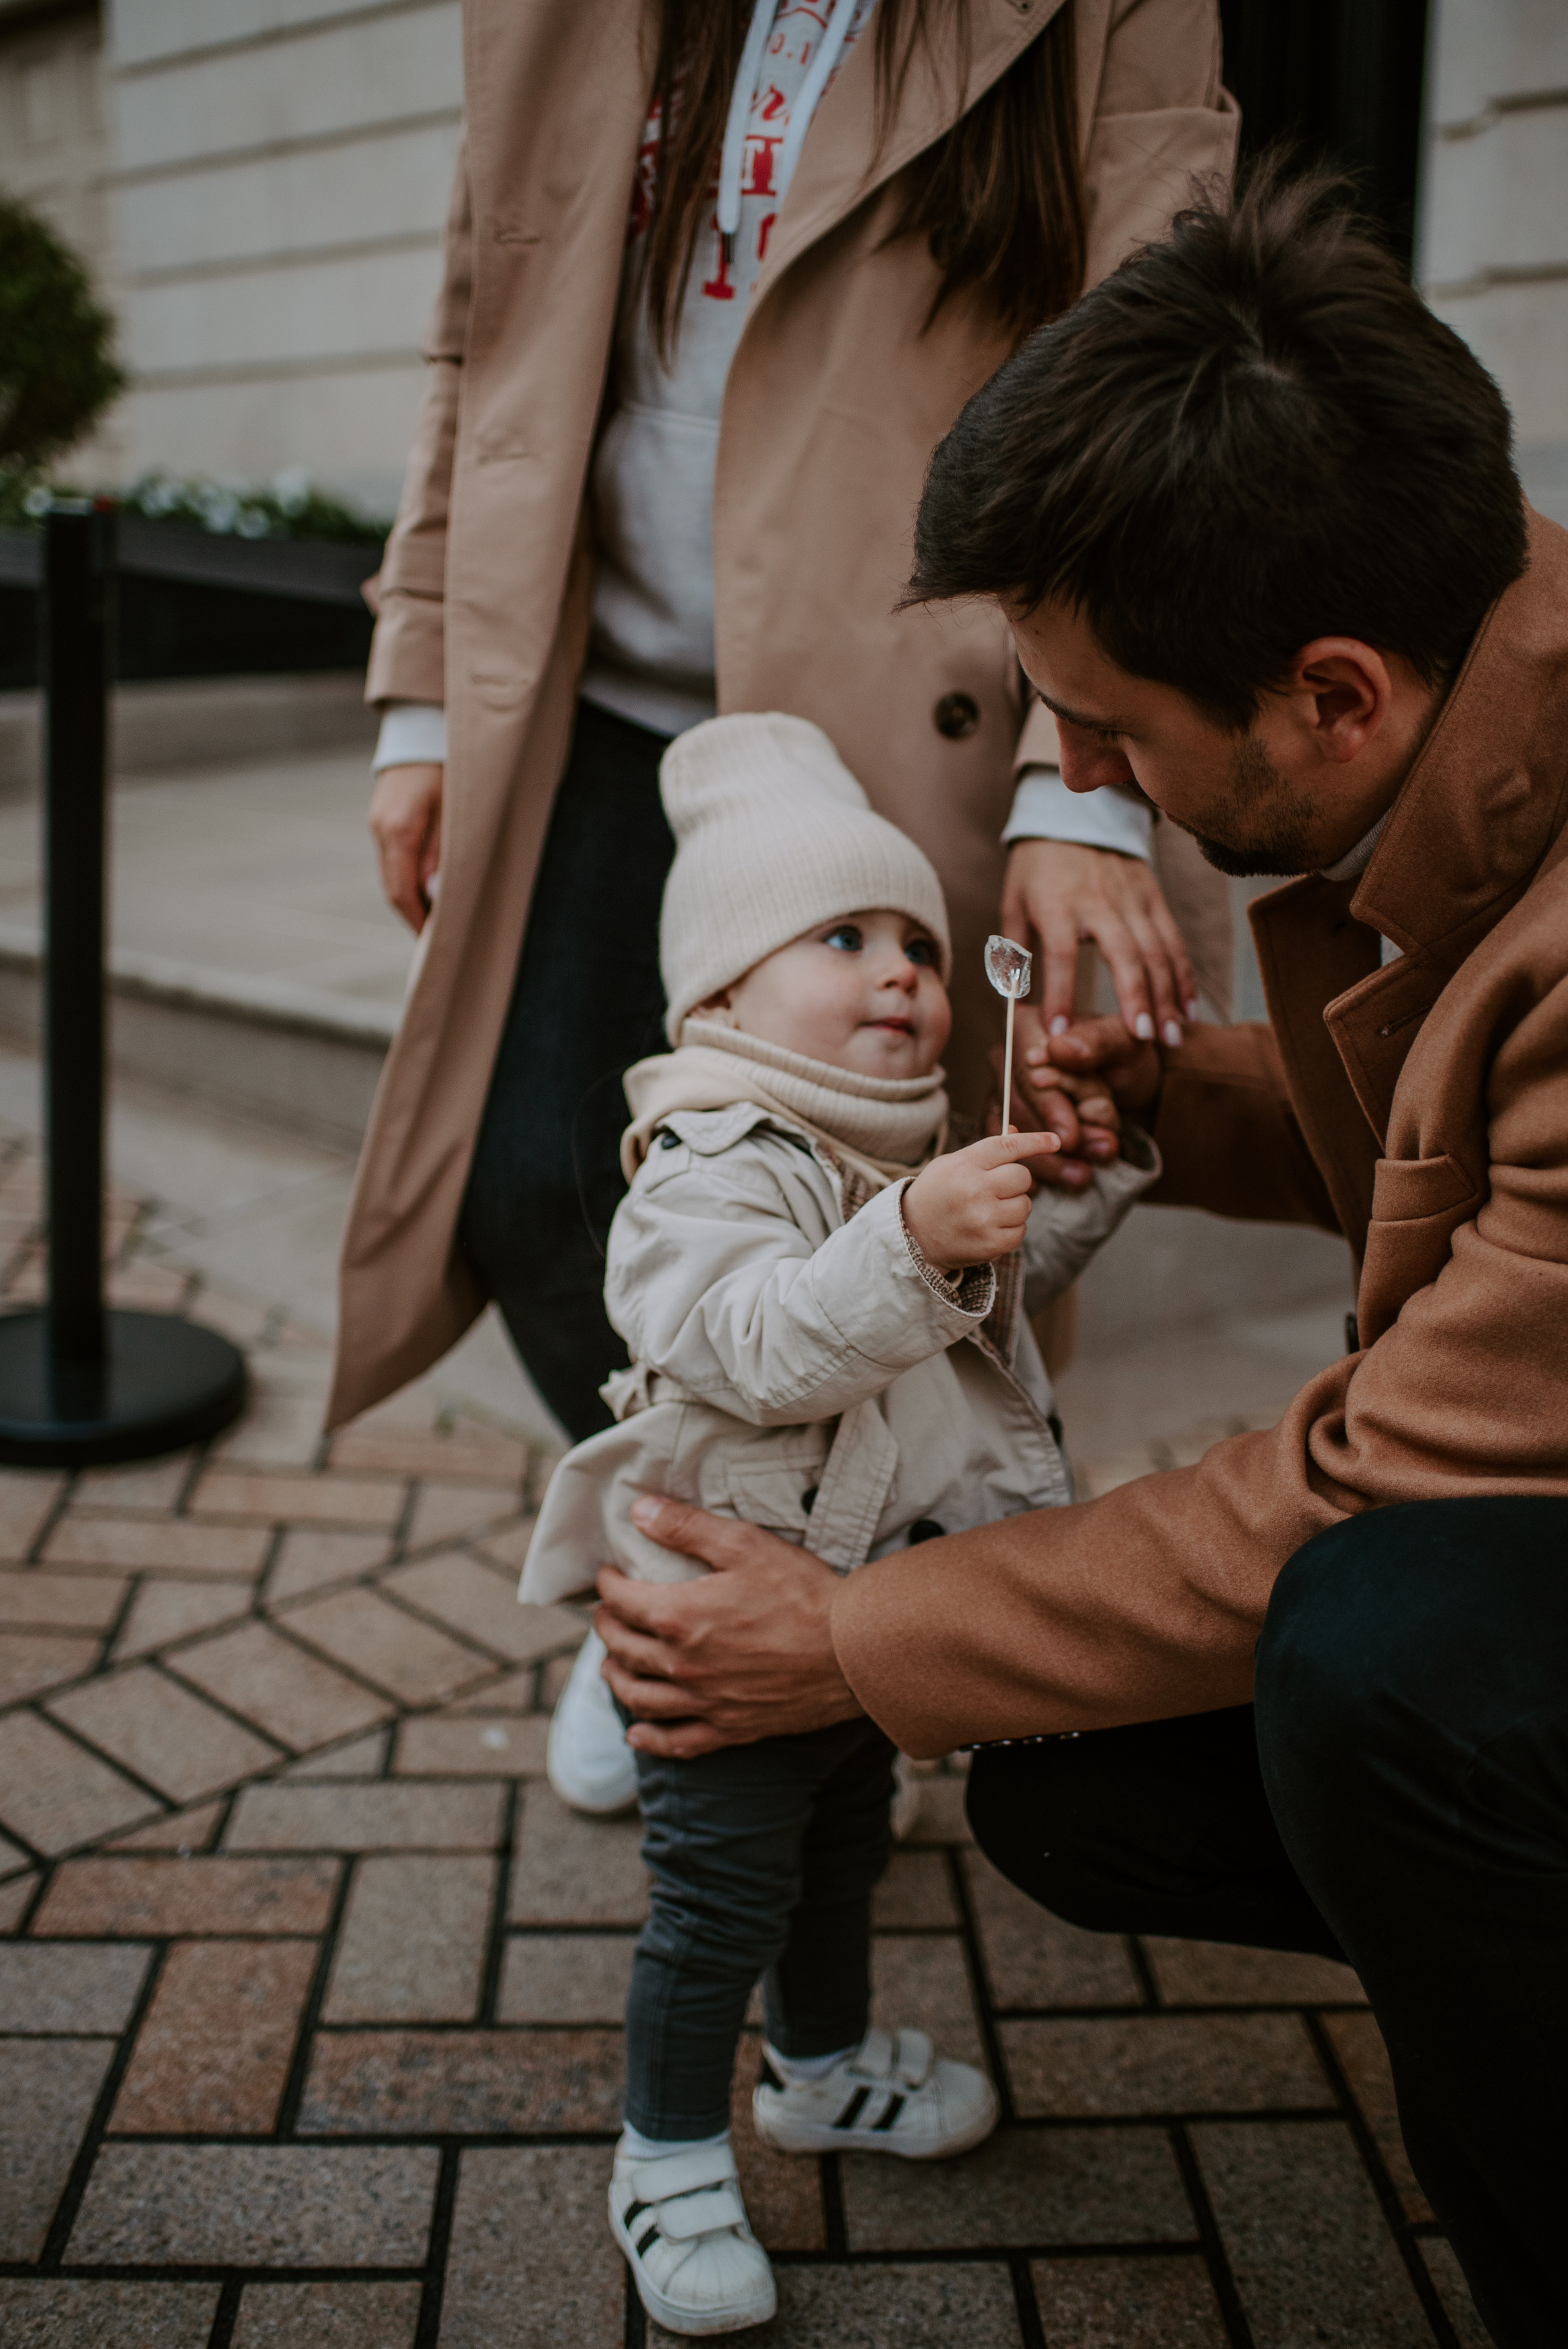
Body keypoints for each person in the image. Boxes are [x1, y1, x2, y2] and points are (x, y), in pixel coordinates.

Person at [589, 165, 1568, 2349]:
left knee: (1379, 1643)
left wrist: (851, 1639)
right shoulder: (1482, 717)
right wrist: (1180, 1103)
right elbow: (1480, 1158)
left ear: (1330, 693)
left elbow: (1392, 1473)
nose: (1086, 782)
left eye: (1109, 732)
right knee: (1073, 1767)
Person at [330, 0, 1236, 1434]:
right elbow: (477, 343)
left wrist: (1083, 779)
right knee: (531, 1194)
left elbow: (1154, 353)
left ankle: (810, 1562)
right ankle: (709, 1540)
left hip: (892, 731)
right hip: (592, 707)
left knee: (886, 1222)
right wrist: (425, 697)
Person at [519, 711, 1156, 2335]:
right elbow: (753, 1338)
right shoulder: (703, 1161)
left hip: (858, 1608)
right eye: (842, 938)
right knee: (717, 1901)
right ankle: (666, 2157)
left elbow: (966, 1309)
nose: (901, 975)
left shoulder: (889, 1149)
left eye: (918, 946)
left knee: (843, 1852)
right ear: (720, 1002)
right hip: (726, 1626)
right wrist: (917, 1236)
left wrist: (1073, 1181)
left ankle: (817, 2069)